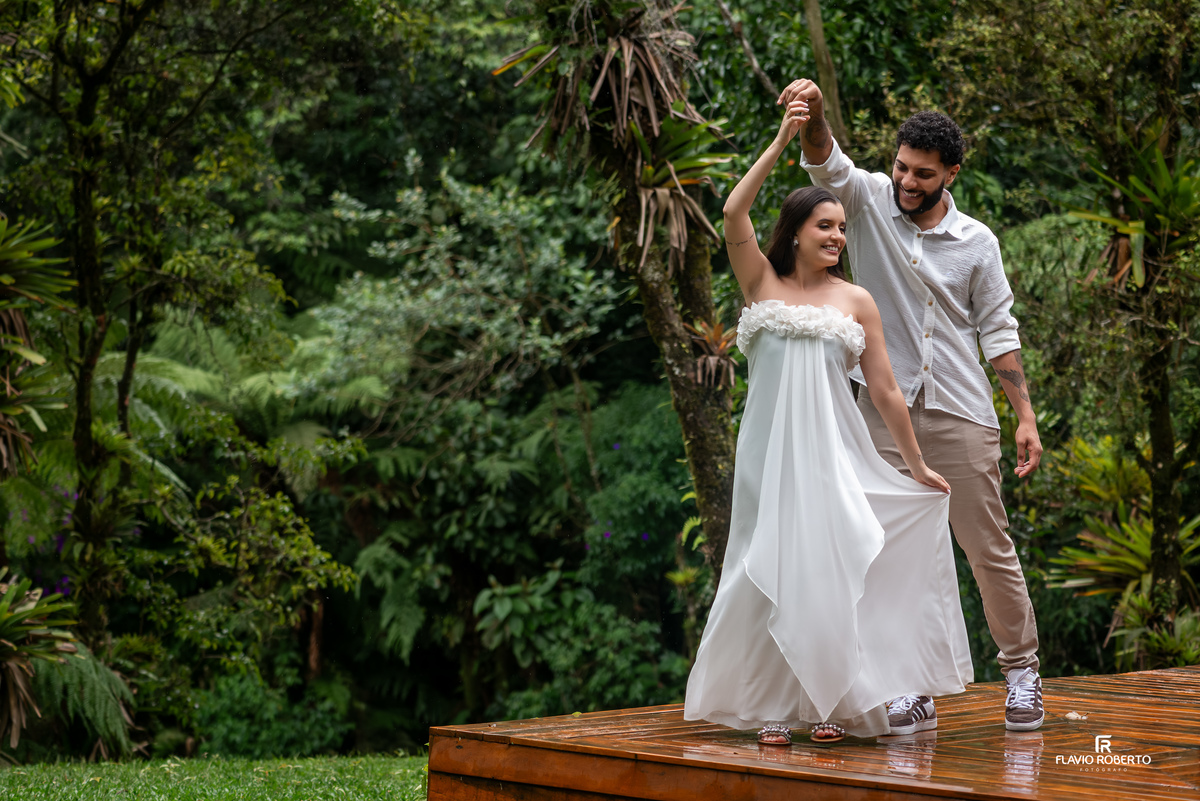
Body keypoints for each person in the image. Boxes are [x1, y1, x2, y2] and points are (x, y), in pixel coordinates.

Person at [682, 98, 974, 744]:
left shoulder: (856, 300)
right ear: (794, 231)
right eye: (825, 225)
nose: (838, 237)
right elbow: (732, 213)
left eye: (843, 227)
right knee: (767, 568)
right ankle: (771, 708)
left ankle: (831, 703)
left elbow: (888, 391)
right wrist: (785, 138)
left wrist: (918, 465)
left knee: (830, 571)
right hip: (766, 458)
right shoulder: (760, 281)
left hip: (833, 455)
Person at [777, 77, 1045, 733]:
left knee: (986, 548)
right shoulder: (866, 203)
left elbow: (1000, 331)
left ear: (951, 172)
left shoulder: (977, 241)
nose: (907, 180)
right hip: (880, 418)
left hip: (961, 412)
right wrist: (811, 112)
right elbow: (823, 158)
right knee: (887, 552)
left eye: (923, 173)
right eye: (901, 166)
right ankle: (907, 683)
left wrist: (1026, 417)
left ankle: (1022, 673)